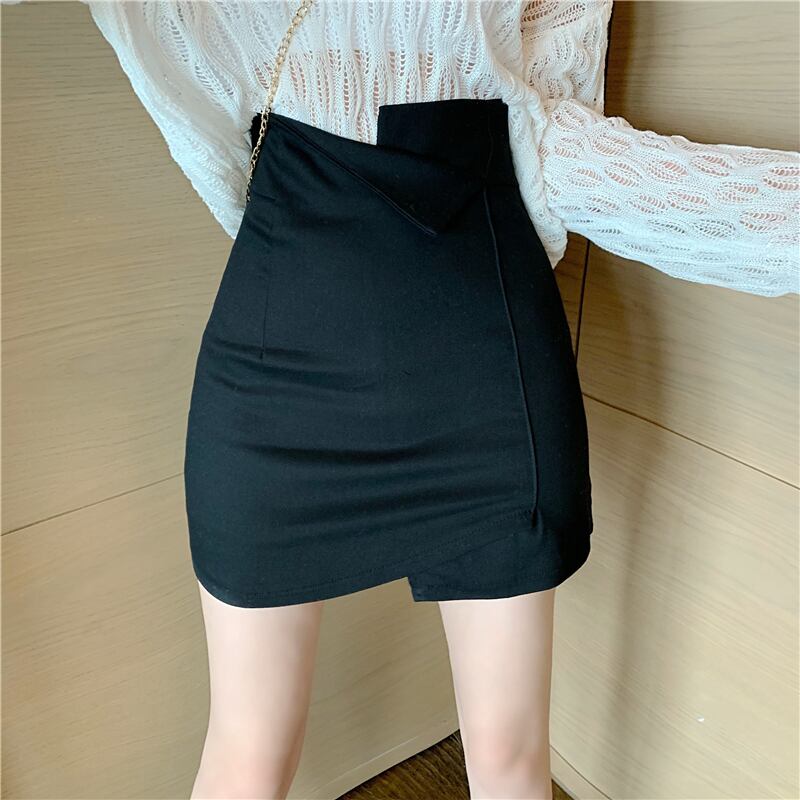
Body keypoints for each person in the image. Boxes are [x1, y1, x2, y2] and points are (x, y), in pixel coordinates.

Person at [60, 1, 800, 798]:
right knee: (248, 750)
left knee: (507, 760)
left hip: (474, 350)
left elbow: (551, 136)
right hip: (290, 343)